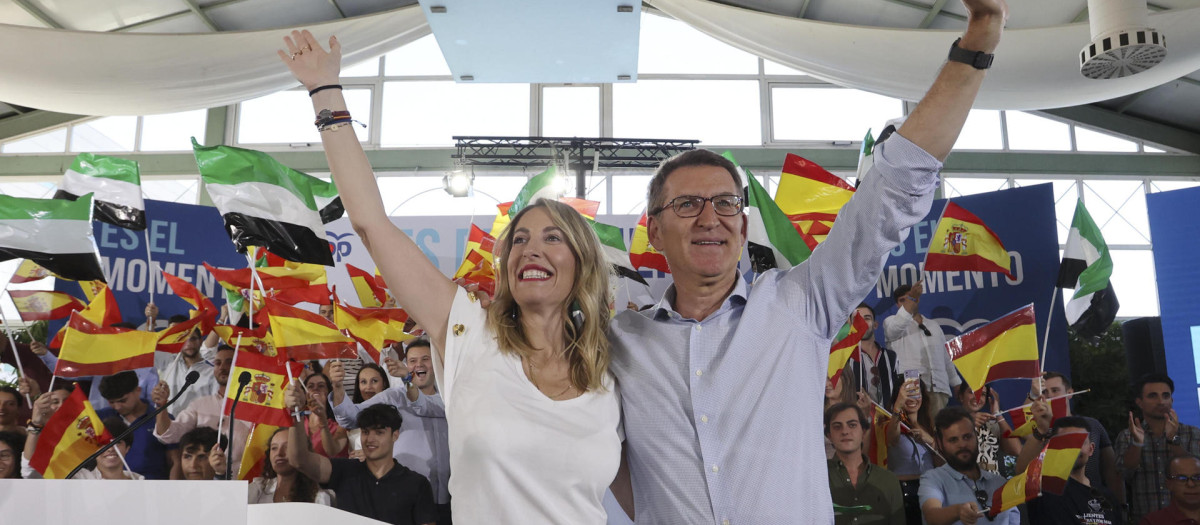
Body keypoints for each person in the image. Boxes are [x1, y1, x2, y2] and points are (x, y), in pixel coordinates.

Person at [604, 0, 1007, 520]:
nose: (710, 218)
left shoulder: (801, 302)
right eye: (687, 204)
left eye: (726, 203)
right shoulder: (623, 343)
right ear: (654, 231)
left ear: (743, 226)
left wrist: (978, 43)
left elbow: (893, 190)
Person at [280, 29, 621, 524]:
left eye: (553, 238)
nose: (531, 248)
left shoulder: (611, 368)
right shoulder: (467, 333)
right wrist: (324, 92)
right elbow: (372, 223)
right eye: (520, 238)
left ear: (582, 263)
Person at [330, 338, 451, 523]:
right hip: (404, 498)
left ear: (436, 362)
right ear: (405, 365)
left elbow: (424, 405)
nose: (419, 364)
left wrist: (408, 380)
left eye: (425, 359)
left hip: (449, 500)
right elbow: (351, 417)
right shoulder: (392, 398)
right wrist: (338, 387)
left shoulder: (449, 398)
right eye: (412, 361)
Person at [285, 395, 435, 525]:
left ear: (395, 435)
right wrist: (295, 414)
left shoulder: (417, 484)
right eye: (365, 432)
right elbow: (298, 459)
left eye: (379, 432)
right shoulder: (344, 471)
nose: (370, 439)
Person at [152, 344, 252, 473]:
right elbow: (167, 434)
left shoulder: (255, 407)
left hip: (244, 482)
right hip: (204, 482)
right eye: (217, 363)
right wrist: (162, 405)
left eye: (229, 362)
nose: (222, 368)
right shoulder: (200, 405)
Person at [1115, 373, 1200, 523]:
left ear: (1172, 400)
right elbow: (1124, 474)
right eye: (1153, 396)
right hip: (1146, 519)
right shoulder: (1127, 436)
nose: (1161, 401)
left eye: (1166, 396)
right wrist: (1137, 444)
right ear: (1140, 402)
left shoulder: (1193, 433)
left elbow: (1194, 471)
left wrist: (1173, 439)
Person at [919, 407, 1019, 525]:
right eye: (953, 440)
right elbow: (931, 516)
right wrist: (958, 511)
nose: (962, 444)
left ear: (976, 437)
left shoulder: (1000, 483)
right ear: (940, 444)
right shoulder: (933, 479)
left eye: (967, 437)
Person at [1038, 371, 1124, 504]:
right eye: (1044, 392)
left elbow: (1111, 469)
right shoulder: (1037, 430)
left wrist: (1121, 505)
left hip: (1094, 503)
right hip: (1054, 504)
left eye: (1055, 390)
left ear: (1070, 393)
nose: (1049, 396)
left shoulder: (1093, 425)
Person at [1025, 417, 1123, 525]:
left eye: (1079, 442)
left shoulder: (1108, 497)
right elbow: (1025, 470)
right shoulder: (1042, 491)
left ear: (1091, 449)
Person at [884, 282, 961, 417]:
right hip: (911, 390)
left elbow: (945, 357)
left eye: (911, 298)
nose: (908, 302)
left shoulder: (934, 325)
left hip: (939, 389)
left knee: (938, 434)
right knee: (916, 433)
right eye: (903, 300)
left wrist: (956, 384)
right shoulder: (891, 322)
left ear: (918, 299)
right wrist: (911, 299)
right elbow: (894, 330)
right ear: (897, 305)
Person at [208, 426, 333, 505]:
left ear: (302, 452)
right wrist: (220, 474)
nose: (279, 453)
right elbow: (230, 507)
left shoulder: (319, 496)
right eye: (274, 448)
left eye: (287, 447)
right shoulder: (259, 488)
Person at [826, 402, 905, 524]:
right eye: (837, 426)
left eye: (852, 425)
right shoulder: (817, 477)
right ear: (829, 436)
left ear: (863, 432)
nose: (845, 431)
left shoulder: (888, 480)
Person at [95, 370, 174, 479]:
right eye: (112, 402)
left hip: (152, 489)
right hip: (108, 489)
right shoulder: (99, 418)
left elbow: (174, 461)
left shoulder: (162, 418)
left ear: (138, 390)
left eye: (123, 400)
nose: (117, 407)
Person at [889, 379, 942, 523]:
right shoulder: (889, 423)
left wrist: (928, 438)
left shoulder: (932, 427)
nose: (912, 399)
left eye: (916, 393)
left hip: (931, 490)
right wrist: (898, 406)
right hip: (904, 492)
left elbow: (943, 462)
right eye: (907, 394)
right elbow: (892, 437)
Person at [954, 383, 1019, 476]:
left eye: (983, 394)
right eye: (972, 392)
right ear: (961, 396)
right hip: (964, 481)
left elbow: (1016, 451)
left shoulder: (991, 424)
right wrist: (967, 421)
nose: (977, 397)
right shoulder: (950, 423)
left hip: (993, 482)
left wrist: (998, 414)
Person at [850, 302, 902, 408]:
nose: (862, 323)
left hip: (889, 420)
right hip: (859, 419)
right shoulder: (846, 358)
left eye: (867, 318)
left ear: (875, 325)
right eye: (857, 319)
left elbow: (898, 391)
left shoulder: (891, 356)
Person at [1139, 455, 1200, 525]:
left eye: (1198, 477)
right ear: (1169, 484)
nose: (1191, 484)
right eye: (1181, 478)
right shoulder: (1152, 521)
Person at [302, 372, 348, 458]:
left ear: (329, 392)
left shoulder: (341, 424)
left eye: (321, 386)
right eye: (311, 386)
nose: (315, 389)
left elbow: (332, 451)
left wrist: (322, 420)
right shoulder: (299, 421)